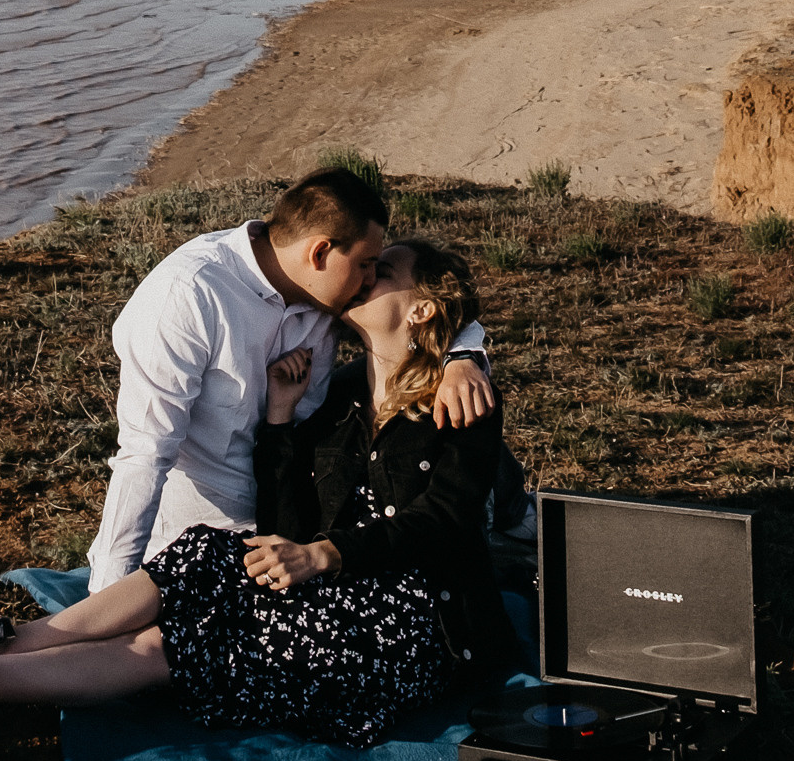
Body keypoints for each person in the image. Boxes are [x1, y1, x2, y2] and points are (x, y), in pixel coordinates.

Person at [0, 236, 516, 761]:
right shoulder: (341, 392)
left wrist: (324, 554)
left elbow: (445, 522)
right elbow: (288, 524)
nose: (366, 276)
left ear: (423, 309)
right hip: (337, 586)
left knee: (194, 638)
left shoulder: (463, 398)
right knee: (207, 552)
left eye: (385, 273)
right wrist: (280, 419)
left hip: (414, 626)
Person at [74, 164, 493, 593]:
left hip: (297, 540)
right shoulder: (188, 296)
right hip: (197, 536)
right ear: (320, 253)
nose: (369, 281)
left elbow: (429, 301)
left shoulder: (327, 293)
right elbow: (144, 456)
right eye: (366, 265)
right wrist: (106, 589)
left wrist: (463, 356)